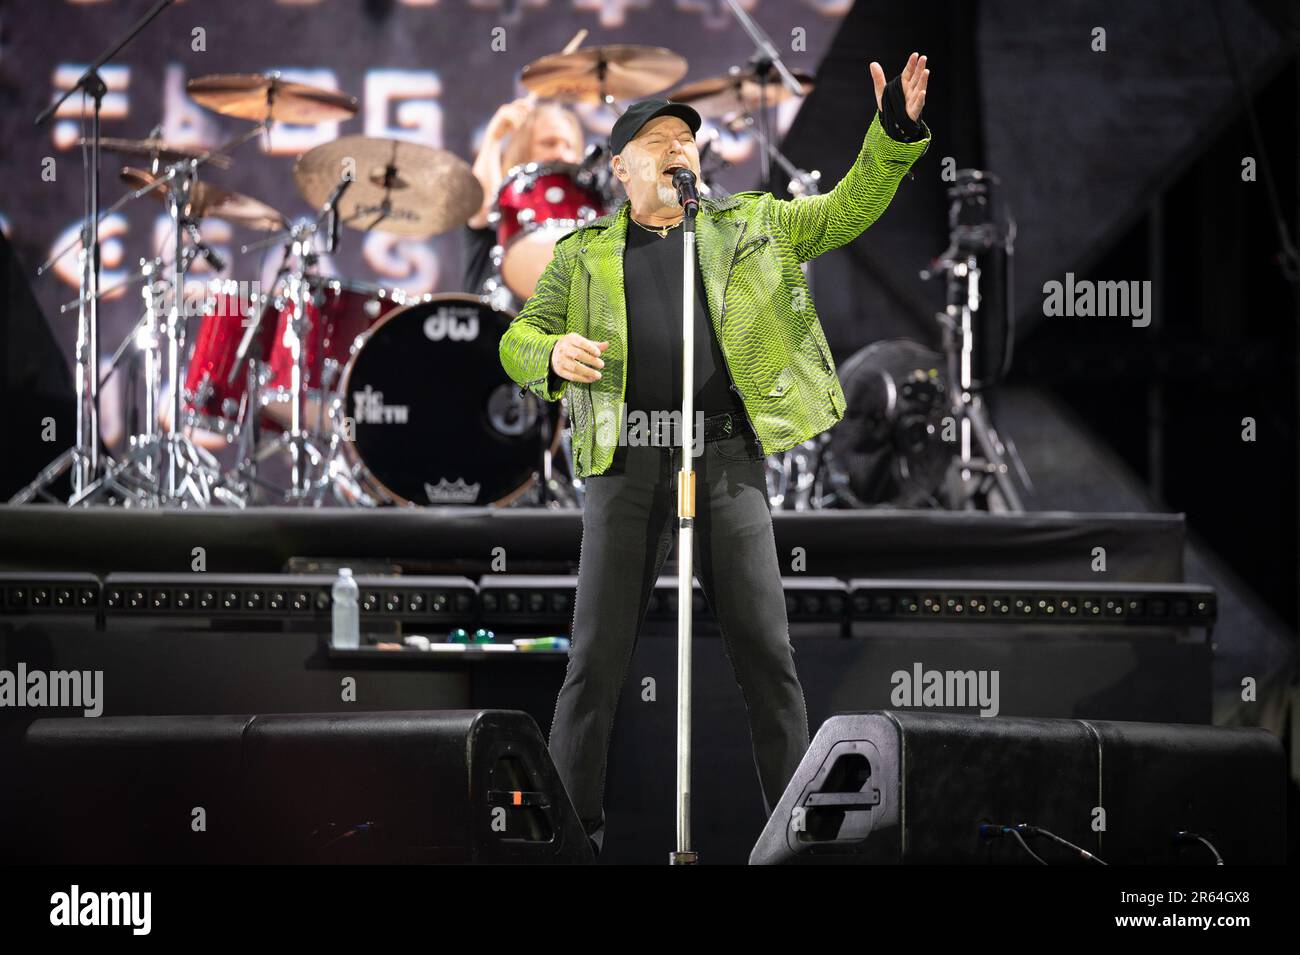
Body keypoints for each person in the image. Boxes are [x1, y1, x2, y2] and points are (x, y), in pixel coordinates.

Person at [499, 54, 932, 859]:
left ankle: (802, 840)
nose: (677, 148)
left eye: (686, 140)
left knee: (768, 655)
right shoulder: (581, 253)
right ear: (621, 167)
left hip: (726, 464)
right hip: (626, 467)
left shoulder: (752, 225)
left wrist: (893, 136)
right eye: (657, 140)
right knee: (594, 662)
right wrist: (549, 352)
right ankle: (566, 840)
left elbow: (843, 213)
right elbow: (515, 339)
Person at [463, 99, 586, 294]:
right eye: (549, 143)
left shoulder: (587, 211)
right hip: (494, 320)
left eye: (569, 146)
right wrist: (494, 137)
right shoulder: (505, 202)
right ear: (522, 149)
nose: (561, 154)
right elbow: (484, 206)